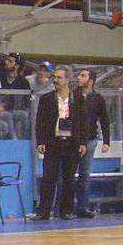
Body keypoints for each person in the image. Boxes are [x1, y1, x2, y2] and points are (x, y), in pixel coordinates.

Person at [34, 64, 87, 220]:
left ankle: (66, 211)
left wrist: (83, 142)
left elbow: (84, 122)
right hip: (53, 142)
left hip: (71, 143)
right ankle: (44, 211)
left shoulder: (78, 98)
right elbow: (40, 122)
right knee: (48, 178)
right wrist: (41, 141)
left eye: (59, 77)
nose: (56, 80)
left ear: (68, 79)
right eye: (55, 77)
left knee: (69, 179)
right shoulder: (46, 98)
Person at [71, 69, 110, 218]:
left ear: (91, 80)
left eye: (83, 76)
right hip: (73, 139)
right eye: (79, 75)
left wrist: (106, 141)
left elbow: (104, 120)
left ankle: (83, 206)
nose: (79, 78)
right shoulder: (72, 95)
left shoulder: (98, 98)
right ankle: (64, 207)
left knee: (85, 174)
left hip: (90, 139)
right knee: (67, 174)